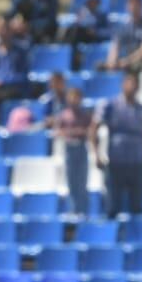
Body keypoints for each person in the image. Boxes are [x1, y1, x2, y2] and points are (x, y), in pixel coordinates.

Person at [91, 69, 142, 218]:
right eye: (129, 81)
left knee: (137, 207)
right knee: (113, 206)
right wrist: (97, 154)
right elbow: (93, 130)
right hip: (115, 163)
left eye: (135, 82)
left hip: (137, 163)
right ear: (122, 84)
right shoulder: (109, 106)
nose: (131, 86)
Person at [53, 85, 93, 215]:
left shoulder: (85, 115)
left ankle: (83, 211)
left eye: (77, 97)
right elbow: (58, 131)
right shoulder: (63, 115)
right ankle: (73, 210)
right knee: (71, 182)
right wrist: (71, 132)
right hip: (69, 149)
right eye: (72, 97)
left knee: (82, 182)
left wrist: (82, 132)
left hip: (81, 148)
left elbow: (90, 131)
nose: (74, 100)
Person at [105, 0, 142, 71]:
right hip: (124, 60)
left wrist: (127, 61)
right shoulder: (122, 27)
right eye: (132, 3)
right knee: (100, 67)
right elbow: (115, 46)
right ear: (127, 5)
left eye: (137, 3)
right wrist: (112, 61)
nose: (134, 7)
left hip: (141, 61)